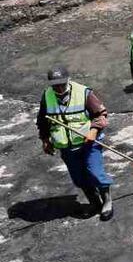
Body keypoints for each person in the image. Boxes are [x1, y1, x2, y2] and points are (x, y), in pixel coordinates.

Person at [35, 67, 115, 220]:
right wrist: (45, 140)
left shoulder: (84, 93)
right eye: (55, 85)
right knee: (79, 178)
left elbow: (101, 115)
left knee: (95, 173)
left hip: (89, 144)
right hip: (67, 147)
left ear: (68, 80)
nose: (58, 88)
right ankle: (94, 203)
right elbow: (42, 121)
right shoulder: (47, 96)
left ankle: (107, 201)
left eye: (61, 84)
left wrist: (93, 131)